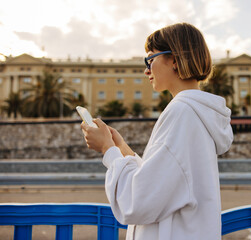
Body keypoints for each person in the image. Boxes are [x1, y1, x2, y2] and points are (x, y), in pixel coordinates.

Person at [81, 22, 233, 240]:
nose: (146, 69)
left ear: (174, 59)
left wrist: (107, 149)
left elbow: (138, 202)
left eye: (150, 59)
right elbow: (167, 182)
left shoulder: (182, 112)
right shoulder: (196, 112)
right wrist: (121, 148)